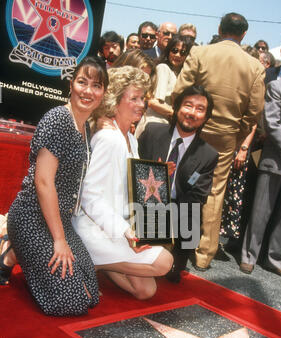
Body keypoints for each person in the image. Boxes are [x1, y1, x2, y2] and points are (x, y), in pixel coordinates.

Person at [0, 57, 109, 315]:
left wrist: (62, 234)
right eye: (82, 82)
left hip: (59, 220)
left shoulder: (85, 128)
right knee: (71, 302)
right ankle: (15, 246)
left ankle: (12, 250)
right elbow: (43, 181)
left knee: (90, 294)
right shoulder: (57, 119)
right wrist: (59, 241)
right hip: (32, 217)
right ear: (71, 84)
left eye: (96, 85)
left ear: (103, 93)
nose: (88, 90)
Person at [173, 12, 265, 271]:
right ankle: (204, 253)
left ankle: (174, 240)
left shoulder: (201, 53)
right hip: (227, 134)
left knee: (182, 179)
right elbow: (255, 111)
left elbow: (180, 91)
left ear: (219, 28)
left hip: (193, 126)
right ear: (243, 34)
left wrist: (184, 120)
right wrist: (237, 135)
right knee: (214, 190)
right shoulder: (255, 66)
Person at [72, 66, 173, 299]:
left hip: (117, 226)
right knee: (164, 262)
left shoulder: (128, 138)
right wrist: (126, 231)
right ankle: (91, 263)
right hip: (94, 228)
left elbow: (124, 189)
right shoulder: (109, 138)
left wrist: (154, 182)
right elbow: (89, 196)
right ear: (115, 101)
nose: (141, 104)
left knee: (145, 291)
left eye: (143, 98)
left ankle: (101, 264)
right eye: (134, 98)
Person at [138, 85, 218, 282]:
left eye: (200, 109)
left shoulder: (208, 155)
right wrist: (155, 178)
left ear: (206, 117)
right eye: (188, 105)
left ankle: (173, 256)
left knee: (169, 274)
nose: (192, 113)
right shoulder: (152, 132)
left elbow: (196, 197)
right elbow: (129, 174)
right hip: (142, 204)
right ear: (177, 108)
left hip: (178, 213)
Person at [240, 40, 281, 280]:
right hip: (277, 157)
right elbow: (271, 123)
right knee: (261, 209)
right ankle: (249, 255)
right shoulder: (277, 87)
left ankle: (275, 258)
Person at [142, 35, 192, 129]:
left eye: (183, 52)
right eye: (174, 50)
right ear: (168, 51)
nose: (178, 55)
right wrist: (179, 116)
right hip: (155, 123)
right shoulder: (163, 68)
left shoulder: (181, 74)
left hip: (167, 124)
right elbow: (154, 103)